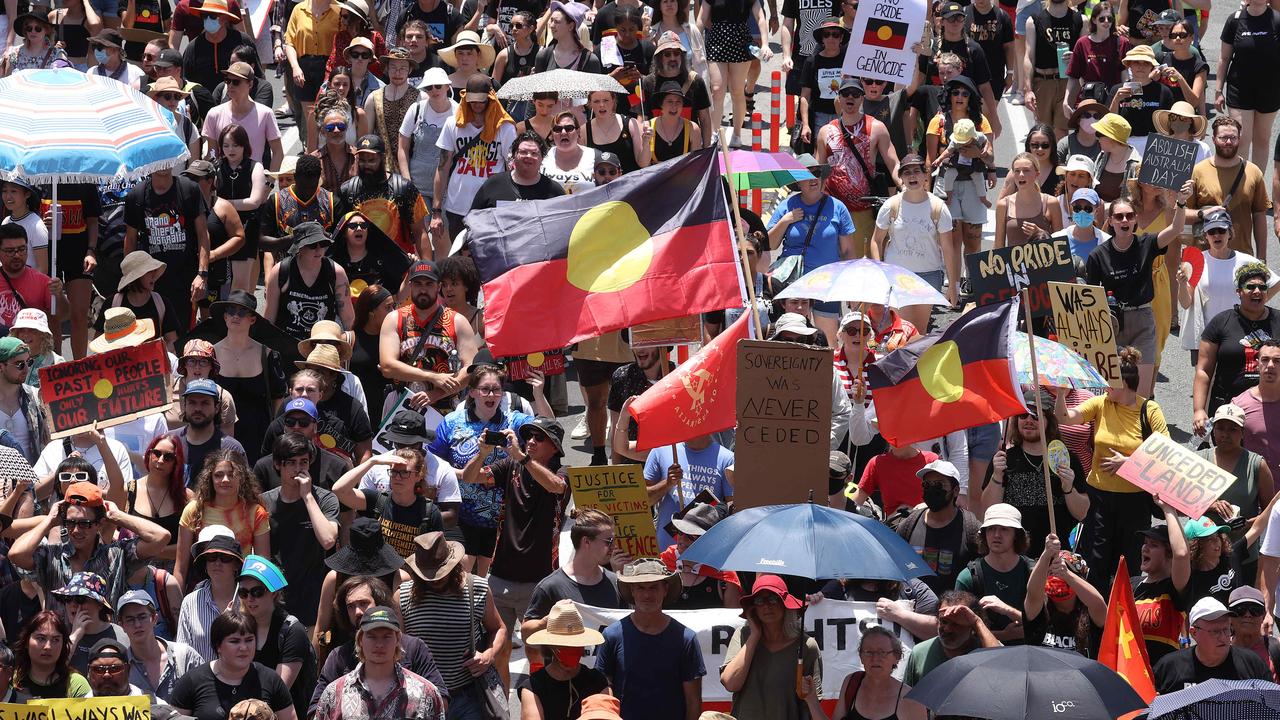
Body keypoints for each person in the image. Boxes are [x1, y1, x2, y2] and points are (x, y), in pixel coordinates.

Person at [461, 416, 567, 683]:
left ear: (554, 446)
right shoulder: (510, 465)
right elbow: (470, 477)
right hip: (500, 576)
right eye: (528, 435)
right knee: (499, 650)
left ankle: (539, 700)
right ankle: (503, 707)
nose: (531, 441)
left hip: (539, 581)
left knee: (539, 651)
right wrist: (482, 452)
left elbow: (556, 486)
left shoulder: (562, 472)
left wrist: (522, 458)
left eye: (539, 437)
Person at [1086, 184, 1191, 398]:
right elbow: (1090, 299)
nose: (1124, 221)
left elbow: (1176, 230)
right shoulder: (1097, 256)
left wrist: (1180, 203)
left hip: (1143, 319)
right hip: (1112, 323)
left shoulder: (1147, 243)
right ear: (1111, 221)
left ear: (1135, 220)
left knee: (1140, 394)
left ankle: (1139, 429)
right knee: (1114, 391)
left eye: (1129, 216)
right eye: (1119, 217)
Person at [10, 480, 170, 613]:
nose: (76, 530)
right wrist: (50, 521)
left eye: (84, 524)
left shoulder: (117, 554)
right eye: (71, 522)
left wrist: (117, 516)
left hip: (105, 647)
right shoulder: (52, 556)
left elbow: (161, 537)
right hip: (61, 647)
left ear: (99, 524)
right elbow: (16, 554)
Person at [399, 531, 506, 719]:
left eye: (441, 572)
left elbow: (498, 628)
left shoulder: (477, 588)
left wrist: (488, 655)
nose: (436, 579)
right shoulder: (403, 596)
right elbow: (396, 646)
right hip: (422, 699)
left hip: (467, 696)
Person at [309, 575, 449, 714]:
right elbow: (317, 709)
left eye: (363, 603)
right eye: (351, 606)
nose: (358, 612)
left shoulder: (414, 648)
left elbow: (439, 701)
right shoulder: (339, 656)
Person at [597, 559, 704, 720]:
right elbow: (604, 691)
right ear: (632, 590)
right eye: (640, 587)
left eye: (653, 587)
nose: (647, 595)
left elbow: (693, 701)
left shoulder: (686, 639)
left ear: (665, 590)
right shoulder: (611, 636)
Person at [983, 399, 1089, 556]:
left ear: (1049, 422)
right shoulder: (1004, 459)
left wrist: (1068, 487)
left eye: (1036, 416)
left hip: (1055, 553)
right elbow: (987, 509)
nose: (1028, 421)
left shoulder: (1067, 460)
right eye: (1023, 416)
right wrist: (997, 476)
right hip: (1014, 556)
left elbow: (1082, 513)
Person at [766, 154, 854, 342]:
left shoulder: (838, 207)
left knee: (828, 341)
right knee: (793, 339)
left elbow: (847, 251)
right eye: (806, 175)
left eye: (816, 173)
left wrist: (849, 286)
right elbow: (770, 244)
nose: (813, 178)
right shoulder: (787, 205)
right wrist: (785, 221)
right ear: (798, 182)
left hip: (827, 284)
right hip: (794, 285)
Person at [522, 509, 623, 668]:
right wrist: (546, 621)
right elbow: (525, 635)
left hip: (605, 685)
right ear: (586, 542)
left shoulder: (616, 583)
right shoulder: (550, 586)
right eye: (608, 541)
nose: (613, 546)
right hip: (563, 684)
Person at [867, 154, 956, 331]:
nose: (912, 176)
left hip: (928, 275)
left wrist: (953, 285)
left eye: (917, 171)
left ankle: (916, 360)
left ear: (926, 176)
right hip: (897, 275)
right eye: (906, 172)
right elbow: (876, 240)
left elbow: (948, 248)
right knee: (901, 330)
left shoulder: (938, 207)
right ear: (901, 178)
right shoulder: (892, 205)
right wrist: (880, 271)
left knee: (919, 332)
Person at [260, 433, 339, 626]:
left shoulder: (325, 499)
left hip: (314, 602)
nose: (298, 469)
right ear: (278, 465)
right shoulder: (263, 502)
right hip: (276, 601)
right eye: (291, 463)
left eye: (303, 462)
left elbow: (328, 540)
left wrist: (308, 497)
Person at [817, 77, 901, 258]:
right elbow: (819, 171)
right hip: (833, 208)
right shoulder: (825, 131)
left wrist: (908, 185)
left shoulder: (877, 127)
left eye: (855, 94)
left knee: (862, 266)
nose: (850, 98)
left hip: (864, 210)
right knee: (834, 264)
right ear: (838, 98)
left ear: (862, 98)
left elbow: (893, 163)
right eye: (845, 93)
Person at [1193, 262, 1280, 432]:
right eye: (1251, 287)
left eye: (1262, 287)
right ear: (1239, 292)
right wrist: (1199, 410)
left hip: (1273, 407)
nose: (1257, 291)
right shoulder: (1221, 322)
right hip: (1228, 410)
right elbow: (1203, 370)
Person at [431, 73, 517, 244]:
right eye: (473, 100)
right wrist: (436, 211)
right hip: (457, 206)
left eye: (481, 100)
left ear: (491, 99)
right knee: (460, 260)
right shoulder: (453, 123)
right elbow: (442, 167)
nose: (477, 104)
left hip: (491, 208)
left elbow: (512, 169)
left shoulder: (505, 128)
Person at [123, 166, 210, 334]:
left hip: (185, 280)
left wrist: (202, 274)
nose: (163, 166)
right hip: (150, 281)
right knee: (149, 336)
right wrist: (130, 279)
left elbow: (203, 234)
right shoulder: (137, 195)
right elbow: (130, 239)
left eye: (166, 160)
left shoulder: (189, 189)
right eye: (158, 160)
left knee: (181, 337)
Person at [720, 574, 820, 720]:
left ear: (785, 603)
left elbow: (813, 705)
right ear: (753, 607)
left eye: (773, 599)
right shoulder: (742, 635)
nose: (766, 606)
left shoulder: (807, 646)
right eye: (760, 600)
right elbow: (730, 684)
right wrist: (754, 635)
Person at [170, 610, 298, 720]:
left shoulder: (271, 679)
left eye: (249, 640)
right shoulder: (192, 682)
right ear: (218, 646)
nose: (243, 648)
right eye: (234, 641)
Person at [209, 291, 287, 465]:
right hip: (218, 434)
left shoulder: (267, 354)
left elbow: (278, 398)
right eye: (231, 310)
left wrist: (275, 435)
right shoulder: (210, 353)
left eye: (242, 312)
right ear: (225, 316)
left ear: (252, 319)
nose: (235, 316)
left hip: (258, 436)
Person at [175, 451, 270, 589]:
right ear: (210, 478)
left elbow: (262, 565)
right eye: (218, 475)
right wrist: (176, 604)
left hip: (241, 589)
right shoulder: (194, 510)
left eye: (231, 474)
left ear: (242, 477)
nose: (225, 479)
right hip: (201, 587)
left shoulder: (255, 512)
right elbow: (180, 568)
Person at [236, 555, 317, 717]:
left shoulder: (292, 631)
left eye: (257, 592)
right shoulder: (240, 627)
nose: (249, 599)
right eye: (243, 593)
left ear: (274, 593)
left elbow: (279, 690)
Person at [332, 447, 444, 558]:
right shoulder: (377, 500)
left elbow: (436, 555)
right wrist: (372, 461)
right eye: (394, 472)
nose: (397, 478)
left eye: (405, 473)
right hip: (377, 572)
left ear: (418, 476)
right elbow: (339, 490)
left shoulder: (429, 512)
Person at [1188, 116, 1270, 262]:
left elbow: (1259, 215)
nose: (1228, 142)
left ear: (1239, 139)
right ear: (1213, 139)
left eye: (1233, 138)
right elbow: (1182, 213)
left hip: (1242, 257)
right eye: (1223, 138)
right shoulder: (1198, 171)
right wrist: (1202, 213)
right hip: (1204, 257)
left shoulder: (1253, 172)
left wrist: (1262, 258)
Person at [335, 134, 430, 257]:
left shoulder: (404, 188)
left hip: (399, 260)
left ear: (383, 159)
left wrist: (427, 270)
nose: (366, 165)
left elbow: (420, 233)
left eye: (372, 160)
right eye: (362, 160)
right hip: (361, 263)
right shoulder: (347, 190)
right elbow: (340, 234)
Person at [895, 459, 981, 594]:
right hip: (914, 608)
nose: (932, 489)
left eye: (939, 485)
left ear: (956, 491)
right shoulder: (909, 525)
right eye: (927, 484)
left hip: (953, 609)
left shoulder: (971, 529)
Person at [1154, 596, 1271, 692]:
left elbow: (1272, 707)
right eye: (1215, 632)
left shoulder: (1252, 664)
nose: (1223, 637)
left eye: (1226, 629)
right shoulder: (1169, 668)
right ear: (1194, 633)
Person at [1215, 0, 1280, 172]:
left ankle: (1256, 187)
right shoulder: (1235, 20)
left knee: (1262, 139)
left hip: (1270, 89)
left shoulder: (1277, 19)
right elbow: (1224, 58)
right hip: (1239, 89)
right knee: (1241, 138)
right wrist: (1218, 90)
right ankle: (1240, 187)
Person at [519, 602, 610, 720]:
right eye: (563, 646)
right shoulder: (532, 687)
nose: (570, 651)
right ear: (549, 645)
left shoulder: (598, 682)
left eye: (574, 645)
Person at [264, 222, 354, 340]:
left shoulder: (336, 273)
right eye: (312, 245)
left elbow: (348, 319)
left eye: (323, 244)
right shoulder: (281, 271)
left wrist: (349, 345)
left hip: (323, 343)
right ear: (300, 248)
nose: (318, 249)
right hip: (287, 342)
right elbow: (269, 317)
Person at [815, 625, 926, 720]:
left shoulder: (911, 700)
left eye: (882, 652)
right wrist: (811, 699)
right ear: (861, 656)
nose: (875, 658)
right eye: (869, 652)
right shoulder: (851, 683)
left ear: (896, 656)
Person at [1023, 534, 1106, 656]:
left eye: (1061, 571)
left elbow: (1099, 604)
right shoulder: (1039, 611)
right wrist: (1046, 554)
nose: (1056, 577)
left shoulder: (1090, 615)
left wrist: (1066, 574)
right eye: (1051, 572)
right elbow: (1033, 593)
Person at [118, 589, 204, 704]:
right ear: (122, 625)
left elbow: (207, 699)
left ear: (154, 619)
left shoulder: (185, 656)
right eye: (130, 620)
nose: (137, 624)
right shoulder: (119, 669)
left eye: (142, 617)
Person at [903, 591, 1001, 685]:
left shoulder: (987, 647)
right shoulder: (920, 653)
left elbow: (1001, 668)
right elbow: (905, 695)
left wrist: (977, 622)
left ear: (972, 627)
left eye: (956, 624)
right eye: (944, 621)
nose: (947, 629)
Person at [202, 62, 284, 170]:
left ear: (250, 84)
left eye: (236, 82)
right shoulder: (214, 114)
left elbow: (278, 152)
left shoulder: (265, 114)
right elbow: (212, 153)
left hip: (254, 181)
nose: (230, 85)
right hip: (224, 182)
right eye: (228, 80)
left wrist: (270, 182)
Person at [1020, 0, 1083, 140]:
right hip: (1043, 82)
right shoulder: (1034, 21)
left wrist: (1076, 57)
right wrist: (1028, 90)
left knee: (1061, 131)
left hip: (1068, 83)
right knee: (1043, 132)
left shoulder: (1080, 19)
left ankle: (1058, 161)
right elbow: (1029, 57)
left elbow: (1084, 53)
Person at [176, 532, 243, 661]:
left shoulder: (249, 599)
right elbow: (182, 653)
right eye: (211, 557)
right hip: (200, 680)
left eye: (225, 558)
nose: (217, 562)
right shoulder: (190, 602)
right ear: (205, 564)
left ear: (236, 565)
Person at [53, 571, 130, 673]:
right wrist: (75, 636)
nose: (73, 604)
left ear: (99, 605)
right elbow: (52, 672)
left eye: (80, 599)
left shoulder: (120, 635)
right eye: (68, 598)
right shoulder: (60, 633)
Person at [399, 67, 456, 204]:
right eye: (429, 87)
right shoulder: (416, 108)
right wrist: (407, 181)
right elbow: (402, 147)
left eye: (438, 86)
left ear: (447, 86)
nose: (434, 90)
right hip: (416, 185)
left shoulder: (459, 112)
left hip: (447, 187)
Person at [469, 132, 567, 211]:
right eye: (523, 152)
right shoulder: (493, 184)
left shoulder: (554, 191)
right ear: (513, 155)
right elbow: (473, 219)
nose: (528, 156)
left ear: (542, 158)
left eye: (534, 153)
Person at [11, 611, 91, 700]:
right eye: (41, 638)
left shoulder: (76, 685)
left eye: (55, 640)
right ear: (26, 642)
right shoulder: (10, 681)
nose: (48, 647)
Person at [1237, 340, 1280, 488]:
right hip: (1251, 492)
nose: (1270, 366)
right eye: (1265, 359)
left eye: (1277, 361)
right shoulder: (1239, 405)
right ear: (1256, 363)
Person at [0, 224, 58, 332]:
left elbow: (62, 316)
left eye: (22, 249)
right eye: (10, 251)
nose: (17, 255)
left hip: (29, 346)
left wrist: (59, 295)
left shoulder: (43, 281)